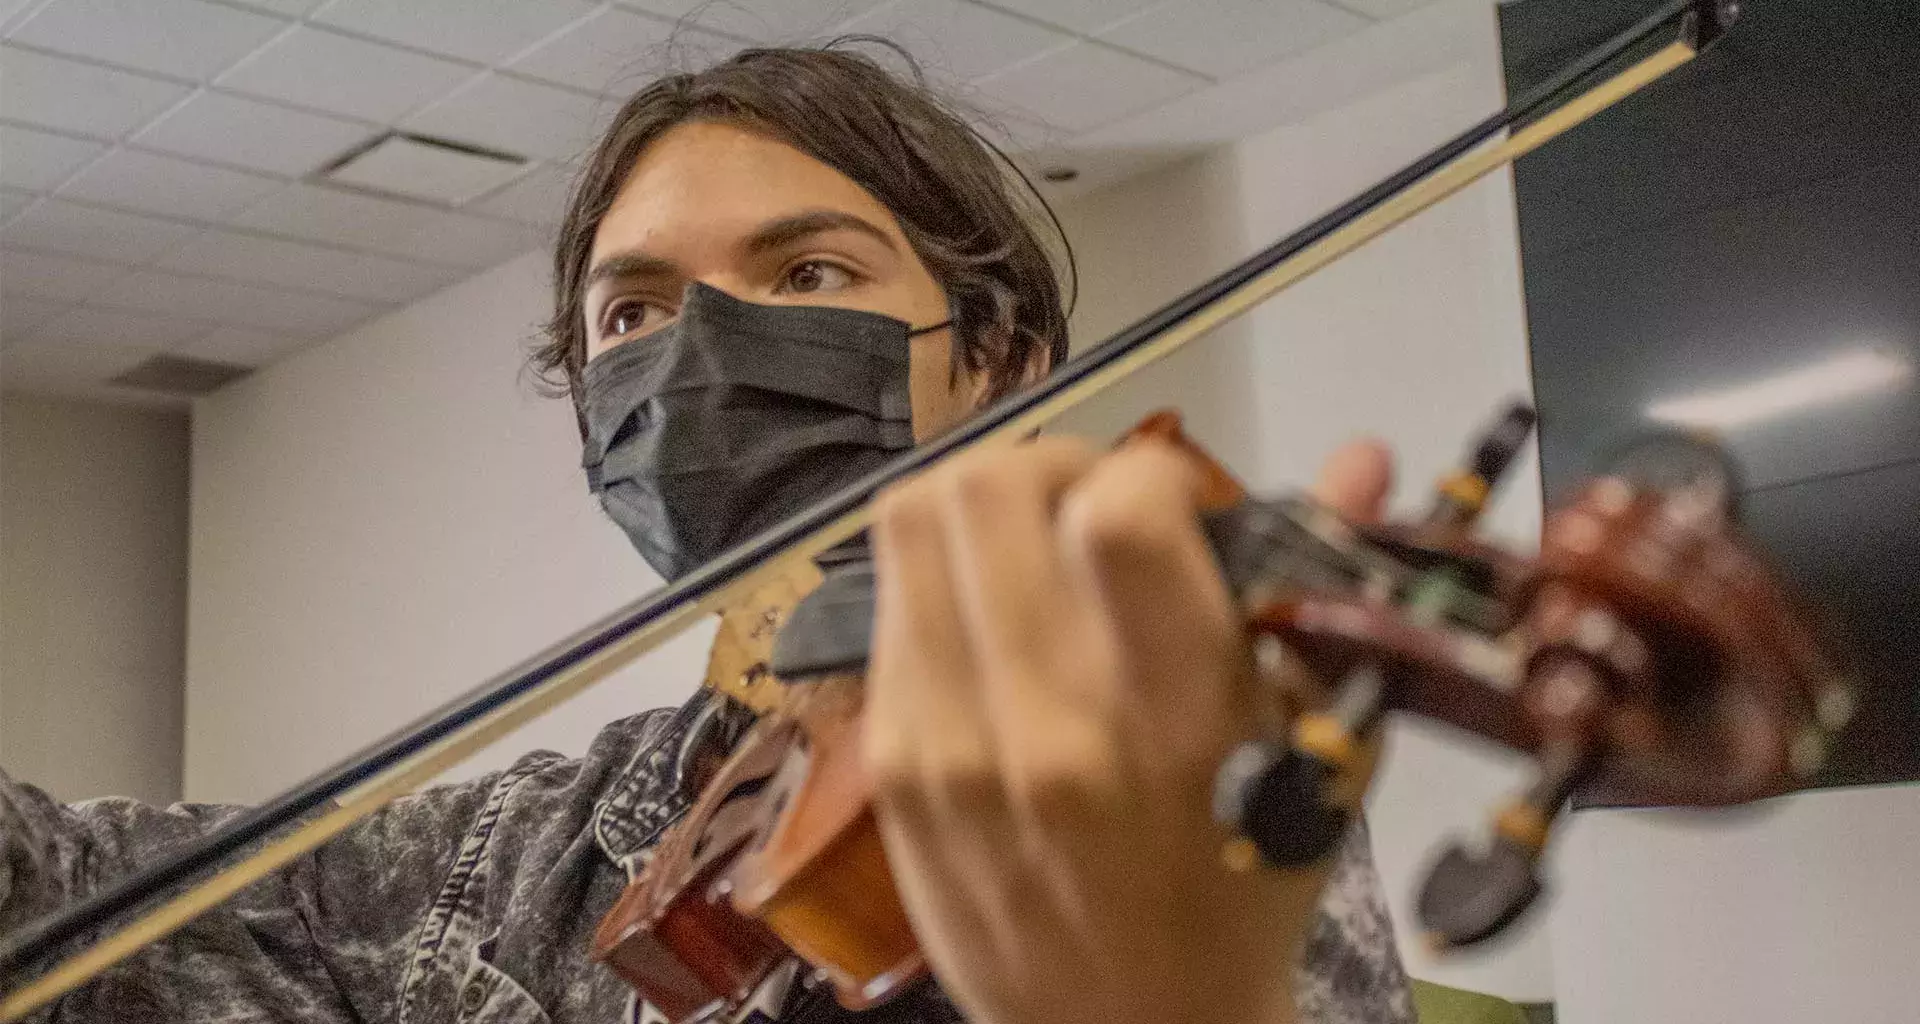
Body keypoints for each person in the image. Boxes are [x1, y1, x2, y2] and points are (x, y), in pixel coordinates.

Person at [0, 44, 1413, 1024]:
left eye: (807, 271)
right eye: (633, 313)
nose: (701, 355)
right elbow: (55, 890)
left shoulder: (1164, 793)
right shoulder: (515, 858)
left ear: (1001, 364)